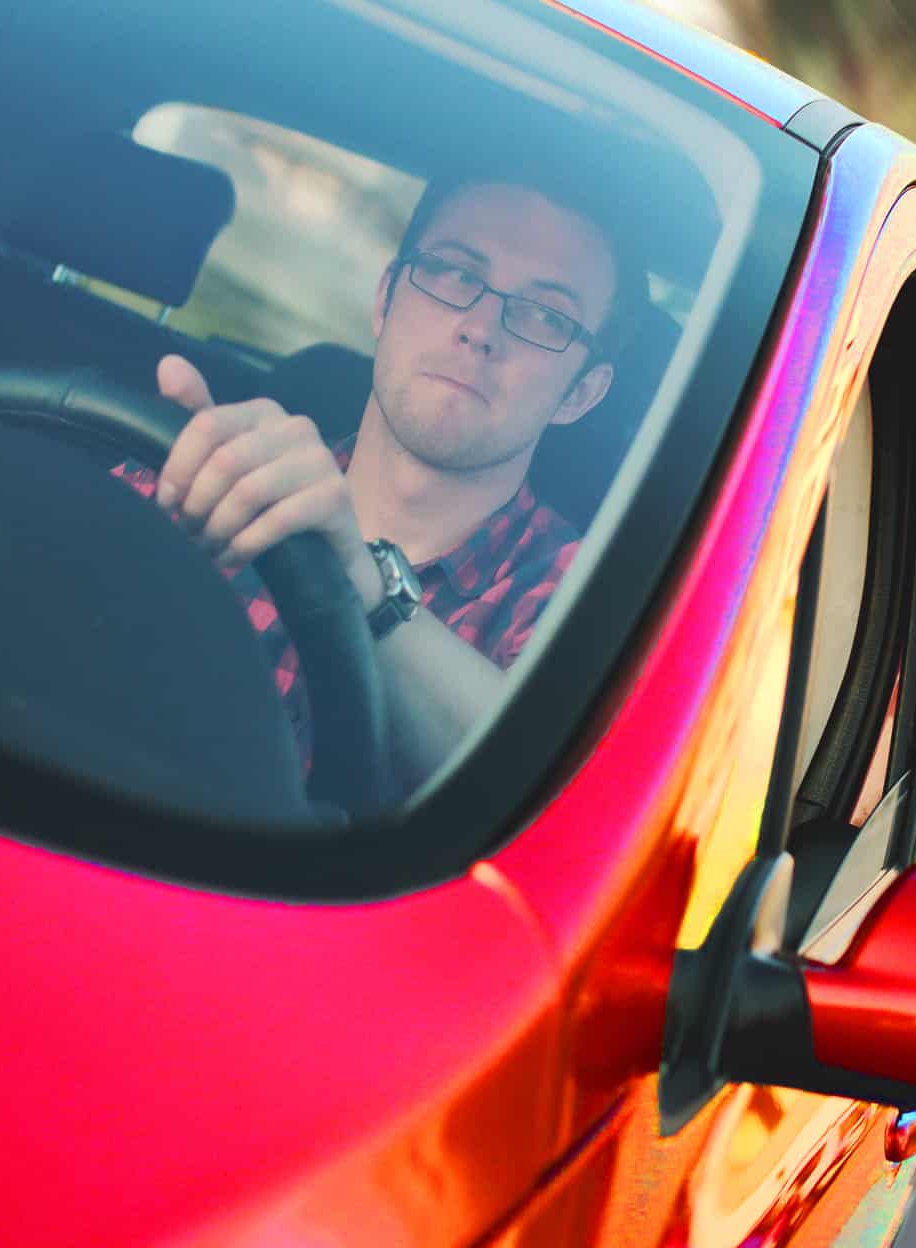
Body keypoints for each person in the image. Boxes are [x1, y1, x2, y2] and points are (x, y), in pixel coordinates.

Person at [119, 173, 633, 789]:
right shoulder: (204, 472)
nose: (481, 329)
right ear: (386, 297)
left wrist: (366, 583)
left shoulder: (589, 609)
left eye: (547, 316)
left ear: (582, 391)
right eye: (457, 276)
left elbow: (547, 798)